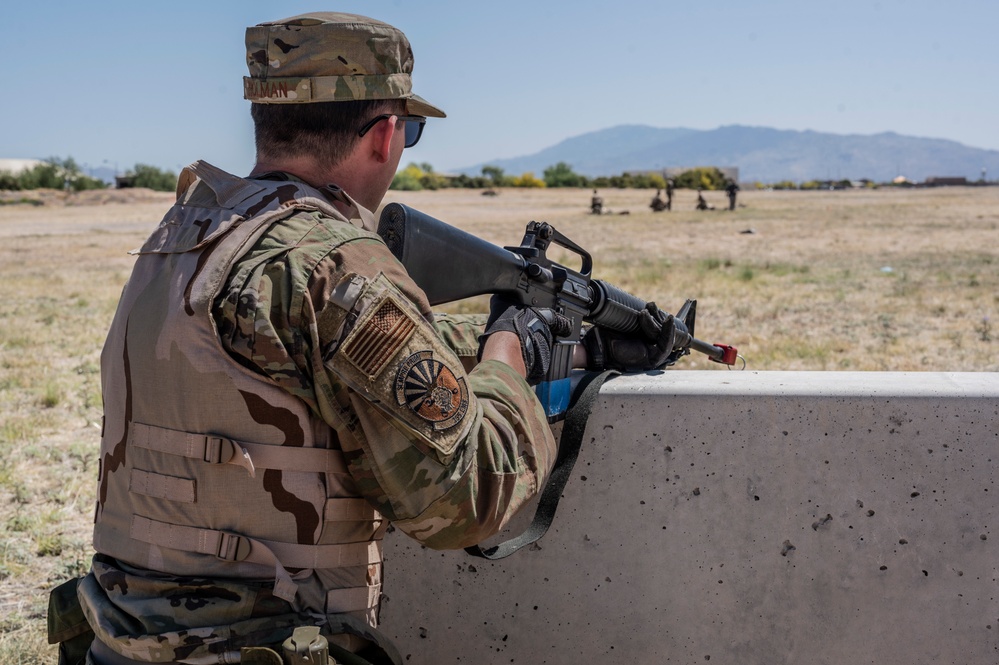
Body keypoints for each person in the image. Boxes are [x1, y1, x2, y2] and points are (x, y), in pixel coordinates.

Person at [59, 11, 677, 665]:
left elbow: (308, 348)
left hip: (125, 643)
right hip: (255, 644)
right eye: (409, 128)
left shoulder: (187, 230)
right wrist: (507, 357)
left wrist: (571, 344)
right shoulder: (335, 261)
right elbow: (465, 498)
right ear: (384, 134)